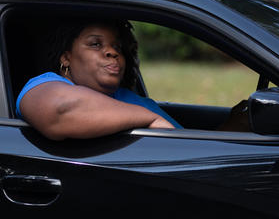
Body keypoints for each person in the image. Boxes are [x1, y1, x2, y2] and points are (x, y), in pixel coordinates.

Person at [16, 19, 182, 140]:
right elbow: (61, 109)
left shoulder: (139, 102)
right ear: (66, 57)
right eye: (95, 44)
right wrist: (149, 118)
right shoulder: (43, 85)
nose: (112, 52)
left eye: (117, 47)